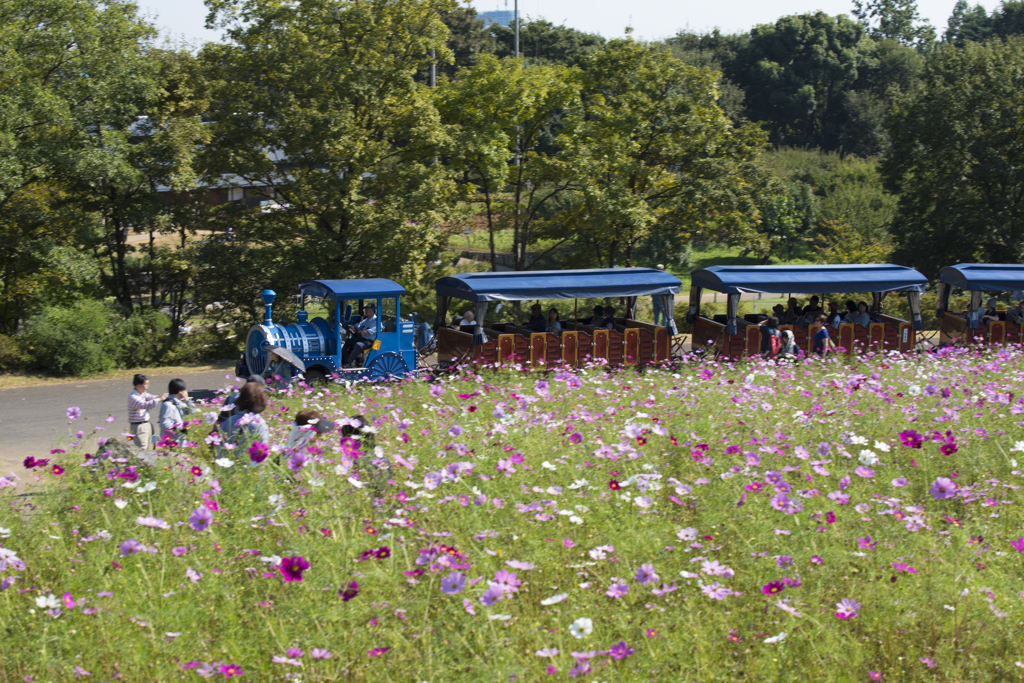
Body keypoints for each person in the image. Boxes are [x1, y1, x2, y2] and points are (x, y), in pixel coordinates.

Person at [220, 382, 271, 456]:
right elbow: (262, 455)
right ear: (261, 400)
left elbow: (220, 451)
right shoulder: (259, 425)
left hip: (229, 465)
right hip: (250, 466)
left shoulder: (228, 421)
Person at [127, 374, 166, 450]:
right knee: (142, 449)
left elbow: (151, 397)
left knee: (148, 449)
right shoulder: (133, 397)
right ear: (138, 386)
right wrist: (159, 399)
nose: (147, 386)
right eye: (145, 384)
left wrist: (161, 396)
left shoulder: (142, 394)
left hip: (146, 424)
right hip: (139, 427)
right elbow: (144, 405)